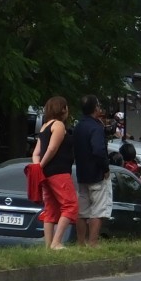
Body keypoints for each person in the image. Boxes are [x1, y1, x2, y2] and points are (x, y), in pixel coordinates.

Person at [32, 96, 77, 249]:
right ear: (62, 109)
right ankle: (57, 242)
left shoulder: (44, 126)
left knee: (50, 209)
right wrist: (42, 165)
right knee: (70, 205)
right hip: (59, 171)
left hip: (46, 173)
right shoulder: (59, 125)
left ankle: (48, 245)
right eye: (66, 107)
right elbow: (52, 148)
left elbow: (36, 152)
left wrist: (38, 167)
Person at [73, 95, 112, 246]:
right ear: (95, 108)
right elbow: (98, 150)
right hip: (96, 174)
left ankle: (80, 242)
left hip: (82, 173)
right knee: (98, 210)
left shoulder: (78, 127)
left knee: (82, 211)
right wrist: (105, 168)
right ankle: (93, 243)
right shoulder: (96, 127)